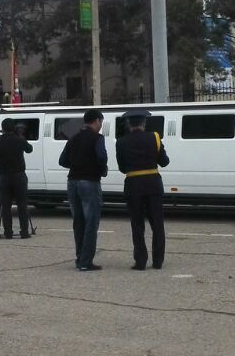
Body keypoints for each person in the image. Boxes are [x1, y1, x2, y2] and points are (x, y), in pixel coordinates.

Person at [116, 109, 170, 270]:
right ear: (144, 123)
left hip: (133, 185)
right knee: (157, 224)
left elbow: (122, 168)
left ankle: (140, 261)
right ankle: (158, 261)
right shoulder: (155, 137)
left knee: (137, 225)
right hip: (153, 184)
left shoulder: (121, 142)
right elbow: (164, 162)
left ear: (128, 124)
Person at [59, 109, 107, 271]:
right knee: (91, 222)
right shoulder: (97, 138)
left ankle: (80, 257)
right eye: (101, 122)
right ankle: (86, 262)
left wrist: (76, 164)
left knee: (78, 222)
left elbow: (62, 160)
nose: (101, 125)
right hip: (90, 182)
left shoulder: (73, 138)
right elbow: (101, 156)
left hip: (72, 182)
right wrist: (101, 169)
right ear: (97, 121)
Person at [0, 118, 33, 239]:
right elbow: (29, 149)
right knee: (22, 204)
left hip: (4, 176)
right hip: (19, 175)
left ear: (3, 128)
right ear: (14, 128)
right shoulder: (19, 140)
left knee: (6, 205)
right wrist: (20, 136)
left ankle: (8, 232)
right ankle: (24, 232)